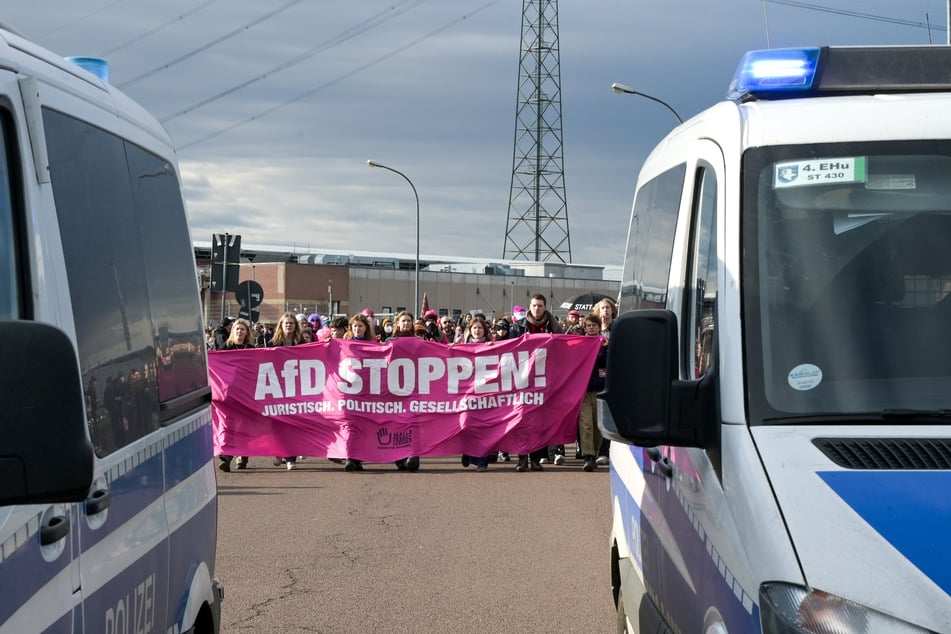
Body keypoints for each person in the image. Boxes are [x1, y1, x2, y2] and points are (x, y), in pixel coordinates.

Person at [510, 294, 563, 470]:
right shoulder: (518, 327)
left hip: (545, 379)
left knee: (540, 421)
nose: (537, 309)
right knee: (522, 420)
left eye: (540, 306)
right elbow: (508, 348)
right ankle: (522, 457)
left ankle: (536, 458)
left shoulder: (554, 327)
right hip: (523, 379)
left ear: (545, 307)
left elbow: (563, 348)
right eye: (534, 306)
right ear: (529, 307)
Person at [217, 318, 256, 472]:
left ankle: (243, 455)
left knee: (244, 424)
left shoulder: (252, 349)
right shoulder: (224, 347)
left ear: (247, 333)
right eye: (236, 329)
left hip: (246, 392)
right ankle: (226, 457)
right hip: (229, 392)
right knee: (229, 423)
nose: (239, 331)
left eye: (242, 329)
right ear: (232, 331)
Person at [385, 311, 421, 471]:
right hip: (392, 388)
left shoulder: (419, 341)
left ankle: (413, 455)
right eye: (403, 321)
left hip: (414, 387)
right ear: (397, 323)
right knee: (396, 422)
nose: (406, 324)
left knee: (412, 421)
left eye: (408, 321)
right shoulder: (389, 341)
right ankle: (399, 456)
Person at [457, 316, 494, 471]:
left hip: (486, 393)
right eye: (474, 328)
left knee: (484, 428)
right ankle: (468, 452)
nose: (477, 331)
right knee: (466, 425)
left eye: (480, 328)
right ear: (469, 331)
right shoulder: (462, 346)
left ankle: (482, 462)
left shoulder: (492, 346)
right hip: (467, 393)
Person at [268, 312, 302, 470]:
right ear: (281, 325)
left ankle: (290, 457)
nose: (289, 326)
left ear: (296, 326)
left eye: (292, 323)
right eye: (286, 323)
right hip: (276, 387)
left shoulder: (300, 342)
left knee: (293, 423)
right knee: (277, 423)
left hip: (296, 387)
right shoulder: (271, 342)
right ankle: (278, 451)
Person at [578, 315, 607, 471]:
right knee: (586, 424)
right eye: (588, 325)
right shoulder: (581, 344)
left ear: (598, 327)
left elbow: (607, 363)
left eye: (593, 325)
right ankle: (588, 456)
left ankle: (594, 452)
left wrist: (603, 349)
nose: (590, 328)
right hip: (584, 391)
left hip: (601, 390)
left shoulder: (606, 343)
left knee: (598, 426)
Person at [594, 297, 618, 466]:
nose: (606, 311)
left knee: (608, 414)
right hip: (594, 378)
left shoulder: (617, 328)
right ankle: (591, 451)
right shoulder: (592, 329)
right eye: (603, 308)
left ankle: (605, 450)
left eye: (608, 308)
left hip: (612, 377)